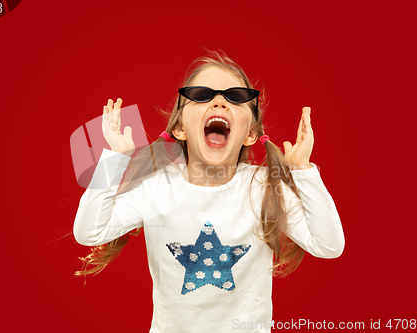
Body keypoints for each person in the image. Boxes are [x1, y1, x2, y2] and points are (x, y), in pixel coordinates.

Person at [73, 51, 345, 333]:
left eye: (236, 96)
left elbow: (328, 246)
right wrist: (114, 159)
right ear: (180, 128)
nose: (219, 101)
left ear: (250, 134)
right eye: (201, 94)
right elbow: (90, 232)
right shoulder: (156, 188)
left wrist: (302, 169)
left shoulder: (263, 187)